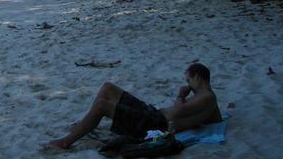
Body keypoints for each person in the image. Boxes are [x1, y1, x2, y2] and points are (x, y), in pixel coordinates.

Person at [45, 63, 222, 151]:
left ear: (198, 77)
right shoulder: (206, 99)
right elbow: (216, 119)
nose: (188, 85)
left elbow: (177, 112)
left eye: (188, 80)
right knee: (108, 87)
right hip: (152, 114)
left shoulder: (206, 97)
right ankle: (88, 123)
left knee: (101, 105)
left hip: (155, 124)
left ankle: (66, 141)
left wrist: (181, 95)